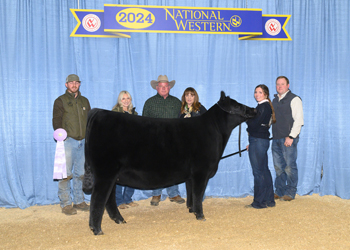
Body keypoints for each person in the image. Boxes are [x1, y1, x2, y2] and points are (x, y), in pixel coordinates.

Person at [142, 75, 185, 206]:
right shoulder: (149, 103)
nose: (164, 88)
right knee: (156, 167)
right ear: (157, 87)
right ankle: (156, 194)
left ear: (169, 87)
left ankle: (173, 193)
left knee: (174, 167)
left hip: (174, 140)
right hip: (155, 140)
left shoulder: (177, 102)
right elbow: (144, 122)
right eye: (161, 86)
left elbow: (182, 121)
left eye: (166, 86)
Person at [52, 74, 91, 215]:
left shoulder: (84, 101)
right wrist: (61, 136)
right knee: (65, 174)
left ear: (79, 84)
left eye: (76, 82)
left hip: (83, 141)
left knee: (81, 173)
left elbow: (90, 120)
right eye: (71, 82)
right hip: (68, 142)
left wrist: (89, 136)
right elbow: (56, 120)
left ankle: (79, 201)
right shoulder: (60, 101)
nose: (74, 85)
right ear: (66, 84)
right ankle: (66, 203)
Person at [272, 76, 304, 201]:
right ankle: (279, 191)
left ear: (288, 85)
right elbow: (271, 119)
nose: (280, 86)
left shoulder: (295, 99)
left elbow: (299, 120)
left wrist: (291, 136)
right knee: (278, 167)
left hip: (288, 138)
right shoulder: (274, 101)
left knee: (289, 167)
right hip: (275, 138)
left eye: (282, 84)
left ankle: (290, 192)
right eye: (277, 84)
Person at [245, 84, 276, 209]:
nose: (257, 94)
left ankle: (259, 202)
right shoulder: (265, 107)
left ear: (265, 94)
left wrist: (247, 118)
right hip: (260, 141)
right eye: (256, 92)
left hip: (258, 141)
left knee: (258, 172)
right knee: (264, 170)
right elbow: (257, 126)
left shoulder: (262, 107)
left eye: (260, 92)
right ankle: (269, 200)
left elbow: (253, 125)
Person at [112, 91, 139, 209]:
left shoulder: (135, 113)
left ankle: (128, 199)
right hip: (119, 148)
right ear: (119, 100)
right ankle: (118, 201)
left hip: (133, 147)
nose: (126, 100)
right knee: (118, 175)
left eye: (128, 98)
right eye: (123, 98)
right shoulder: (114, 113)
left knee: (132, 174)